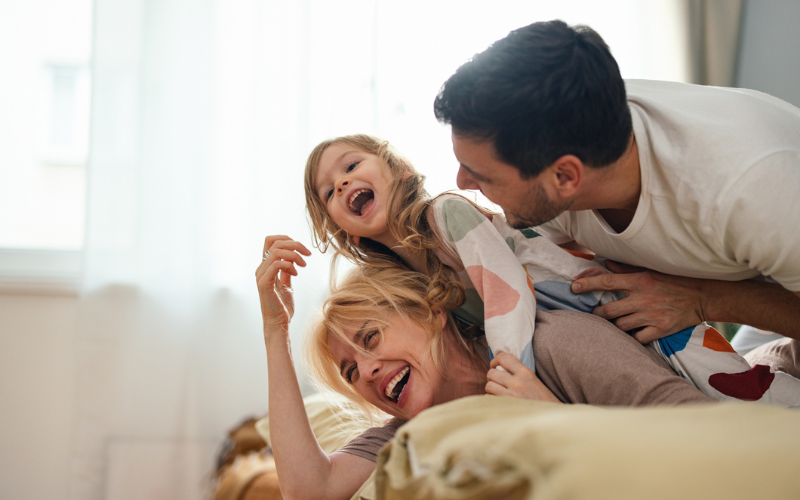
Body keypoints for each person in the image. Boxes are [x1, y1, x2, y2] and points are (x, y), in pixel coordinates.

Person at [304, 134, 800, 404]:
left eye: (351, 167)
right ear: (345, 232)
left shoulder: (446, 215)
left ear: (400, 171)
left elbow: (506, 293)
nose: (343, 184)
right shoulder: (409, 276)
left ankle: (780, 411)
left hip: (602, 293)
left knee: (725, 383)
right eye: (329, 191)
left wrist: (509, 375)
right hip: (576, 316)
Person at [255, 235, 714, 500]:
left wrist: (557, 419)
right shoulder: (407, 434)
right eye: (350, 372)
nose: (368, 371)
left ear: (431, 309)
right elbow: (308, 489)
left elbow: (704, 428)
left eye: (371, 338)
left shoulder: (555, 344)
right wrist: (275, 331)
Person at [433, 19, 800, 347]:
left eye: (482, 175)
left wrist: (704, 299)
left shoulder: (750, 190)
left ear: (565, 177)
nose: (461, 183)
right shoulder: (570, 128)